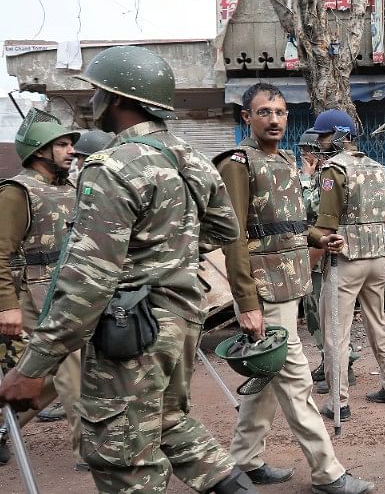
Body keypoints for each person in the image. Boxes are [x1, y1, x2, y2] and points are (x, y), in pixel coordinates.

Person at [0, 45, 258, 493]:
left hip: (131, 328)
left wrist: (34, 366)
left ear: (117, 98)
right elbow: (225, 228)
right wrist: (166, 257)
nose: (93, 100)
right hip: (183, 316)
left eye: (97, 91)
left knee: (123, 455)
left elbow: (88, 281)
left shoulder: (111, 165)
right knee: (169, 422)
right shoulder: (191, 156)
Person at [215, 83, 372, 494]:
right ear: (246, 117)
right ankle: (328, 473)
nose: (274, 119)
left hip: (290, 282)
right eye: (264, 112)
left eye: (280, 112)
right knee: (296, 380)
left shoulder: (284, 159)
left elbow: (288, 224)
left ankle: (244, 461)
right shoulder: (237, 163)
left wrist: (320, 237)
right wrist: (246, 302)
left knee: (266, 380)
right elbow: (233, 238)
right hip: (263, 291)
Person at [309, 109, 385, 421]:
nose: (320, 142)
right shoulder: (377, 168)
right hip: (377, 259)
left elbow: (326, 223)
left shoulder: (333, 170)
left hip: (345, 261)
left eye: (323, 136)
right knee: (378, 322)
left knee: (336, 332)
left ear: (336, 136)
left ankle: (339, 402)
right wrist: (370, 229)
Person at [0, 111, 83, 466]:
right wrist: (7, 305)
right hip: (34, 293)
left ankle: (5, 427)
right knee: (73, 369)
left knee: (46, 373)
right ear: (38, 152)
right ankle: (90, 449)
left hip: (72, 289)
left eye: (69, 144)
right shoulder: (16, 192)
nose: (70, 151)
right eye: (61, 145)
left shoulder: (71, 188)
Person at [300, 130, 359, 391]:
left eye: (307, 151)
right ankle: (330, 362)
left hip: (322, 248)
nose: (304, 155)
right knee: (318, 312)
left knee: (325, 313)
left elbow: (305, 207)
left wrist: (305, 177)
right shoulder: (327, 174)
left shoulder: (327, 176)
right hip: (316, 246)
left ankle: (342, 367)